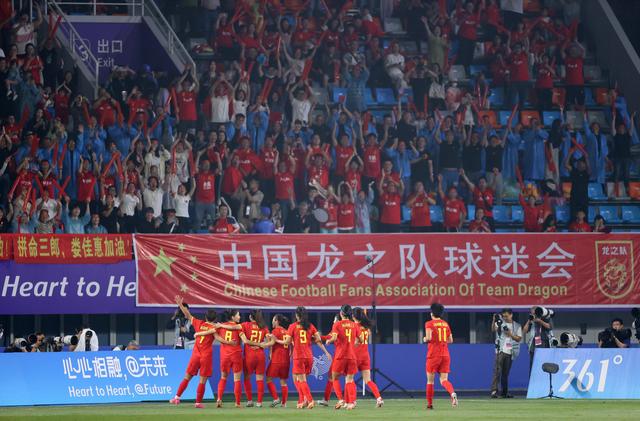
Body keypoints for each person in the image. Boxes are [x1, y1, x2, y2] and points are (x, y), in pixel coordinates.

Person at [169, 296, 225, 408]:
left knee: (187, 377)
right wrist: (229, 342)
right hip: (206, 356)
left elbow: (187, 315)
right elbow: (219, 338)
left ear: (205, 317)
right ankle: (198, 402)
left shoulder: (199, 323)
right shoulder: (215, 327)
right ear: (215, 318)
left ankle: (176, 398)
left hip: (196, 354)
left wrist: (180, 305)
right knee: (202, 380)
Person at [285, 306, 332, 409]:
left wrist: (278, 341)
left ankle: (310, 400)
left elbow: (287, 341)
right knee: (302, 380)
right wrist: (326, 352)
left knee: (300, 380)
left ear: (296, 315)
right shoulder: (310, 326)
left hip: (299, 356)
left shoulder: (292, 326)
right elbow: (318, 339)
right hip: (309, 356)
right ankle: (303, 401)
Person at [325, 305, 360, 411]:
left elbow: (334, 337)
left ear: (341, 313)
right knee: (350, 380)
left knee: (334, 378)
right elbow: (361, 339)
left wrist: (329, 341)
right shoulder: (355, 325)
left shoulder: (337, 324)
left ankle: (341, 399)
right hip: (351, 356)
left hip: (340, 355)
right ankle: (351, 403)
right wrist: (354, 343)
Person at [424, 303, 458, 409]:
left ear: (432, 313)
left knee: (430, 381)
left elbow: (428, 338)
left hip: (433, 354)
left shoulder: (429, 324)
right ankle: (452, 393)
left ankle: (430, 404)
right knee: (444, 380)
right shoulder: (445, 324)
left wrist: (424, 339)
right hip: (445, 355)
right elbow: (450, 340)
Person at [352, 307, 384, 408]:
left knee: (350, 380)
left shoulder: (354, 327)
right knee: (368, 380)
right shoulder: (366, 327)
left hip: (355, 356)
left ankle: (352, 401)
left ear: (353, 316)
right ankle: (379, 398)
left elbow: (356, 342)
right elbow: (368, 333)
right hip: (365, 356)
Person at [490, 309, 522, 399]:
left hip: (511, 351)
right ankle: (494, 391)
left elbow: (519, 339)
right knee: (497, 371)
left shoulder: (517, 326)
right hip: (500, 350)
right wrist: (494, 320)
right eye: (503, 316)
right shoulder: (500, 323)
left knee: (505, 373)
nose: (505, 318)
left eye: (506, 316)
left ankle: (504, 392)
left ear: (511, 315)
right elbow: (493, 329)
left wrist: (510, 334)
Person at [241, 310, 269, 408]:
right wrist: (262, 344)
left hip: (249, 356)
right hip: (260, 355)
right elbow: (269, 341)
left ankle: (249, 400)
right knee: (260, 379)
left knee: (247, 377)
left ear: (250, 317)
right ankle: (259, 402)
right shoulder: (263, 327)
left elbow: (244, 340)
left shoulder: (245, 325)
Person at [263, 314, 291, 408]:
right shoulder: (287, 331)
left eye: (273, 320)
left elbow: (272, 342)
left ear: (277, 321)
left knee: (268, 378)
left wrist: (262, 345)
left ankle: (276, 398)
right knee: (283, 381)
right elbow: (291, 344)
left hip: (277, 359)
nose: (272, 322)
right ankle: (284, 403)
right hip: (286, 360)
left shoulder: (275, 331)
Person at [523, 306, 554, 373]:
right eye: (532, 313)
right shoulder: (531, 319)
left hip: (544, 343)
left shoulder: (546, 317)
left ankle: (543, 378)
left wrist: (540, 321)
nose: (534, 315)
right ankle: (532, 379)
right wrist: (529, 320)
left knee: (544, 363)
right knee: (533, 365)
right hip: (533, 345)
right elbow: (525, 331)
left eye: (535, 313)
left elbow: (550, 327)